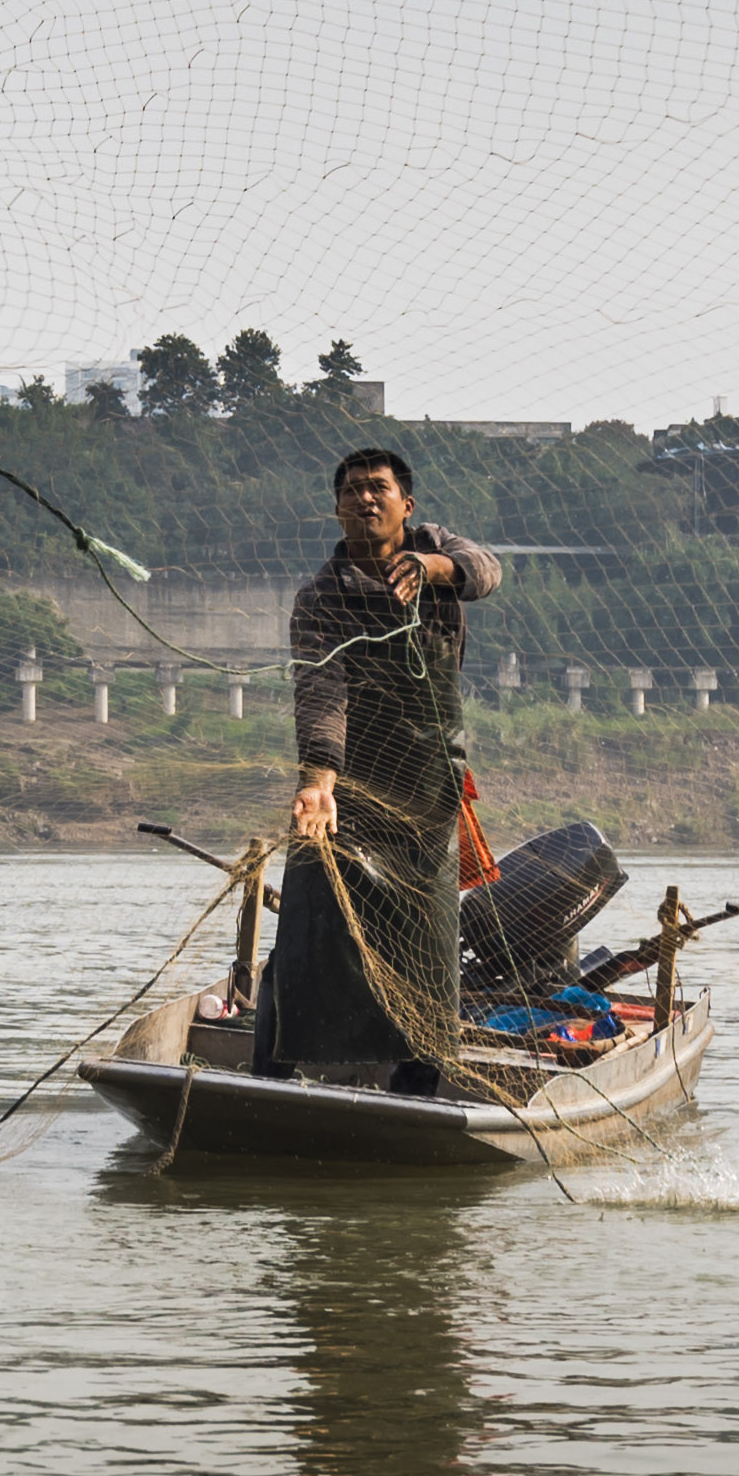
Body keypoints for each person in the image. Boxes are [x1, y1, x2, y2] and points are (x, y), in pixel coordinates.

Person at [250, 446, 502, 1091]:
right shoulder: (320, 599)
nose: (367, 498)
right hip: (347, 788)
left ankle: (416, 1084)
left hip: (425, 787)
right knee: (308, 928)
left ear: (406, 504)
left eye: (379, 488)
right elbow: (321, 690)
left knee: (425, 942)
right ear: (336, 510)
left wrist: (429, 566)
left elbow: (487, 570)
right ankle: (271, 1074)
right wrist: (317, 784)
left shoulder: (436, 552)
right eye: (353, 490)